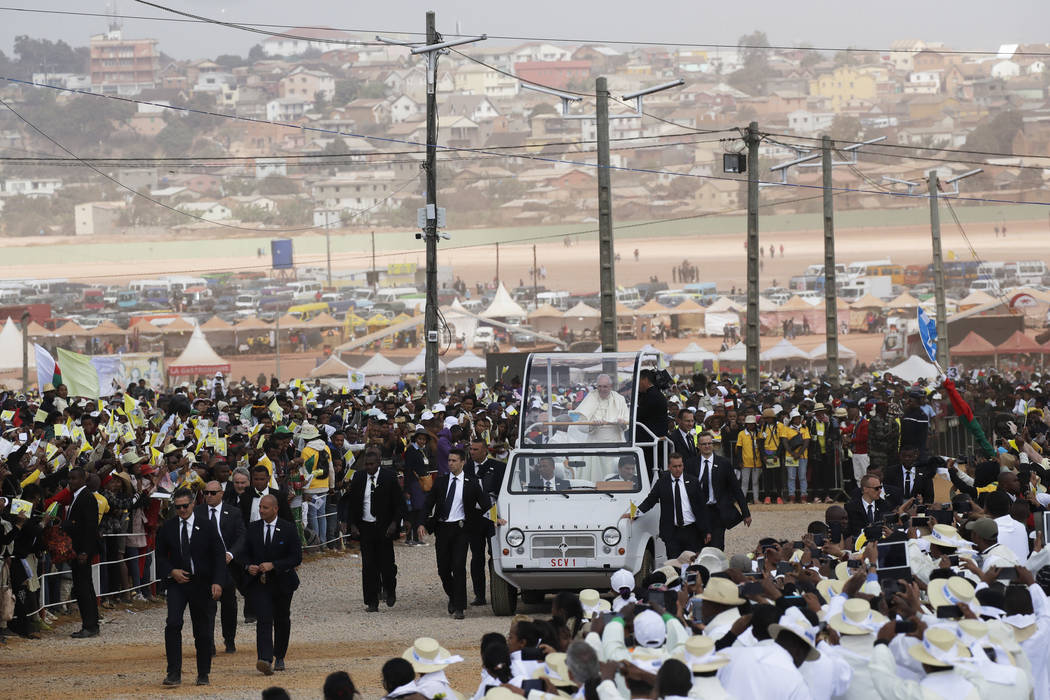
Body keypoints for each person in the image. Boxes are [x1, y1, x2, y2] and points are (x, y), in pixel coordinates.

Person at [156, 487, 226, 686]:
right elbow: (159, 555)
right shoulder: (168, 528)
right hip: (178, 583)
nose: (182, 510)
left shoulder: (207, 526)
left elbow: (219, 555)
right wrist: (172, 571)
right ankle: (173, 673)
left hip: (201, 583)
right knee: (173, 623)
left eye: (185, 506)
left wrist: (217, 582)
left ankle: (203, 673)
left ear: (193, 504)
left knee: (202, 630)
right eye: (178, 507)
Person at [418, 448, 490, 619]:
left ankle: (459, 606)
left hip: (461, 529)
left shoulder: (471, 482)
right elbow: (429, 503)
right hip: (442, 529)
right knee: (443, 569)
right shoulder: (441, 482)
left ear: (463, 462)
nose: (450, 463)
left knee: (458, 567)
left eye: (454, 460)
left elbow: (486, 503)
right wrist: (421, 522)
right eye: (449, 460)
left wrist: (498, 518)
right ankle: (453, 595)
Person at [239, 494, 302, 675]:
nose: (261, 510)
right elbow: (243, 553)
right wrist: (247, 566)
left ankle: (279, 655)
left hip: (282, 582)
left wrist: (274, 565)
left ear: (275, 509)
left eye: (265, 508)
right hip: (260, 583)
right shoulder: (253, 528)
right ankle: (265, 659)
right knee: (264, 619)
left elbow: (296, 557)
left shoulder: (289, 529)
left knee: (281, 619)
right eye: (260, 507)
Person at [346, 450, 401, 612]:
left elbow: (398, 503)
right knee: (369, 565)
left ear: (378, 463)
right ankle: (371, 600)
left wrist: (395, 523)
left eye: (372, 464)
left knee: (387, 564)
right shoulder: (359, 477)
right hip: (365, 527)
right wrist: (353, 525)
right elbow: (353, 503)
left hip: (384, 528)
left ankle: (390, 590)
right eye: (366, 464)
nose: (369, 467)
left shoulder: (389, 477)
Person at [196, 479, 246, 655]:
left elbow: (241, 537)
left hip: (227, 566)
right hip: (205, 567)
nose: (208, 496)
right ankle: (208, 643)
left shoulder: (233, 513)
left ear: (221, 494)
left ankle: (229, 638)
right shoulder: (197, 512)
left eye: (212, 493)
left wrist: (231, 554)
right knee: (207, 606)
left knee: (229, 605)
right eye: (206, 493)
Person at [629, 452, 710, 558]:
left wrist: (706, 531)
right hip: (672, 532)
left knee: (692, 562)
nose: (677, 469)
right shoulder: (662, 483)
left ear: (683, 466)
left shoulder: (693, 481)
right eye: (675, 466)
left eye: (680, 466)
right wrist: (634, 513)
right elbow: (650, 501)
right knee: (674, 563)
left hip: (692, 530)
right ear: (669, 467)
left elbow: (702, 508)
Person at [465, 439, 504, 606]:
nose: (472, 452)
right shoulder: (465, 468)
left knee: (495, 554)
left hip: (493, 514)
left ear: (485, 450)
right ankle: (479, 594)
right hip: (474, 516)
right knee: (476, 556)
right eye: (471, 449)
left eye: (475, 449)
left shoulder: (499, 467)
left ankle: (499, 592)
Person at [695, 431, 750, 549]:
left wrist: (746, 512)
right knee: (700, 546)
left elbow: (736, 488)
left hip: (717, 511)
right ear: (698, 446)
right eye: (704, 444)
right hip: (699, 512)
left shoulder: (724, 463)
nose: (707, 446)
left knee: (717, 546)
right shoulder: (691, 464)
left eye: (709, 443)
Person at [62, 467, 99, 639]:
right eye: (69, 478)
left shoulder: (87, 498)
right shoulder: (78, 497)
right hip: (77, 550)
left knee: (83, 588)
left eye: (75, 478)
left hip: (82, 551)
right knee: (85, 586)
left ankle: (89, 625)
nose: (71, 481)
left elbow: (91, 528)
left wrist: (85, 551)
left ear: (83, 479)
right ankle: (92, 623)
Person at [573, 373, 630, 443]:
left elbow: (627, 424)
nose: (602, 389)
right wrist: (592, 425)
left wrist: (622, 423)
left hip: (616, 442)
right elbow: (580, 426)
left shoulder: (619, 399)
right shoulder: (590, 398)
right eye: (599, 386)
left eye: (605, 386)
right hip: (595, 443)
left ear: (610, 387)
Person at [845, 474, 889, 538]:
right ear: (865, 489)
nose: (880, 491)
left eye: (880, 487)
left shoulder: (884, 505)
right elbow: (851, 530)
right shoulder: (851, 507)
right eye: (876, 488)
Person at [670, 409, 700, 477]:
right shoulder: (673, 438)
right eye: (687, 421)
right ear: (679, 421)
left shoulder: (690, 437)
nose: (690, 424)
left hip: (691, 476)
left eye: (692, 421)